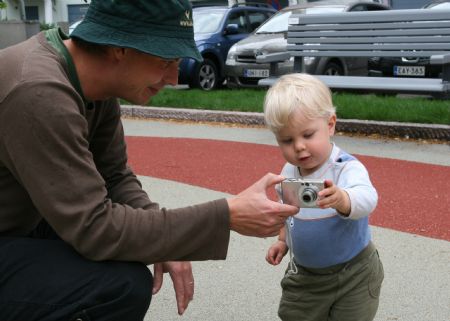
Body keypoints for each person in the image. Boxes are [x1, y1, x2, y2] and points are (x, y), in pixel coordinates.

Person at [0, 1, 299, 320]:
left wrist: (166, 241)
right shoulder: (39, 92)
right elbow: (94, 227)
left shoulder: (91, 83)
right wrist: (224, 216)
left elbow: (114, 177)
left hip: (21, 227)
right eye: (166, 59)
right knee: (118, 285)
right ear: (120, 48)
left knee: (129, 253)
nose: (173, 77)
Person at [264, 73, 384, 321]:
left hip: (355, 273)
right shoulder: (287, 174)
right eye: (287, 140)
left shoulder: (345, 168)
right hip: (306, 275)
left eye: (307, 135)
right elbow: (290, 212)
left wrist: (342, 199)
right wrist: (282, 241)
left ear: (330, 124)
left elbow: (367, 198)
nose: (298, 146)